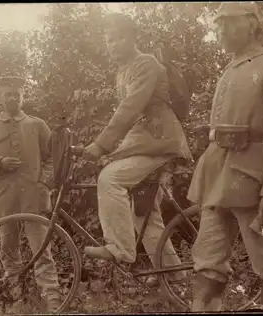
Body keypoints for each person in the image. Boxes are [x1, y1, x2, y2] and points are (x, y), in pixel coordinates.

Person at [187, 2, 263, 312]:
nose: (221, 30)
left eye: (229, 22)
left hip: (254, 183)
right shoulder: (230, 69)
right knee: (207, 263)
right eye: (217, 24)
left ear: (253, 24)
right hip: (219, 181)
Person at [81, 13, 192, 282]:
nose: (113, 44)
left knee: (110, 178)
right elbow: (130, 116)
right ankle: (176, 281)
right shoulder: (122, 71)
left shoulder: (146, 64)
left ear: (132, 38)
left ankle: (120, 248)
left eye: (118, 38)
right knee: (144, 214)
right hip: (144, 140)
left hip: (159, 138)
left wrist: (101, 144)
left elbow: (130, 109)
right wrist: (107, 148)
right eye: (109, 40)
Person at [0, 76, 61, 312]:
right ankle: (16, 296)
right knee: (9, 252)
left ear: (23, 97)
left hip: (33, 197)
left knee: (42, 250)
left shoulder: (37, 125)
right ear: (0, 97)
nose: (12, 97)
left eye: (16, 94)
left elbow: (53, 159)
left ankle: (52, 297)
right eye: (7, 94)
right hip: (4, 200)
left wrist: (44, 182)